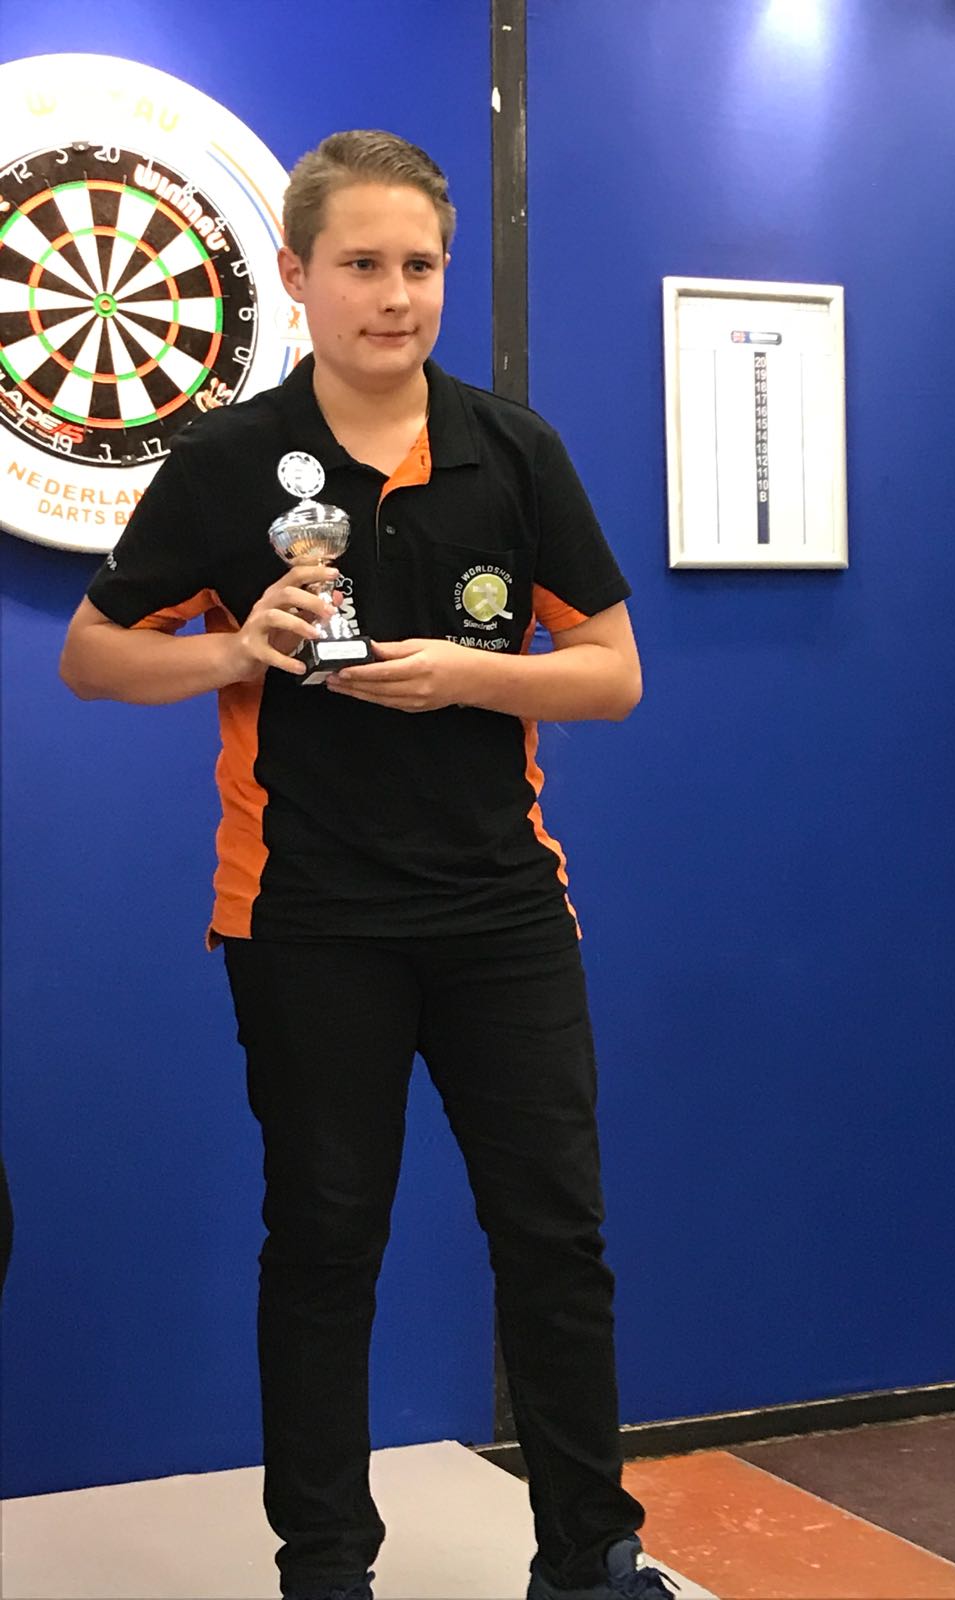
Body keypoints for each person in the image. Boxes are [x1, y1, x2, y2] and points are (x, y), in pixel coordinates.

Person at [61, 131, 673, 1600]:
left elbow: (612, 672)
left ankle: (589, 1557)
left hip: (501, 907)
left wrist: (471, 675)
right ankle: (327, 1567)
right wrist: (237, 648)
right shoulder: (226, 462)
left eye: (421, 266)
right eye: (361, 265)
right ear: (296, 275)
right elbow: (93, 654)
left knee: (556, 1236)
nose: (395, 297)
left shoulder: (513, 451)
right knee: (327, 1243)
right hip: (305, 913)